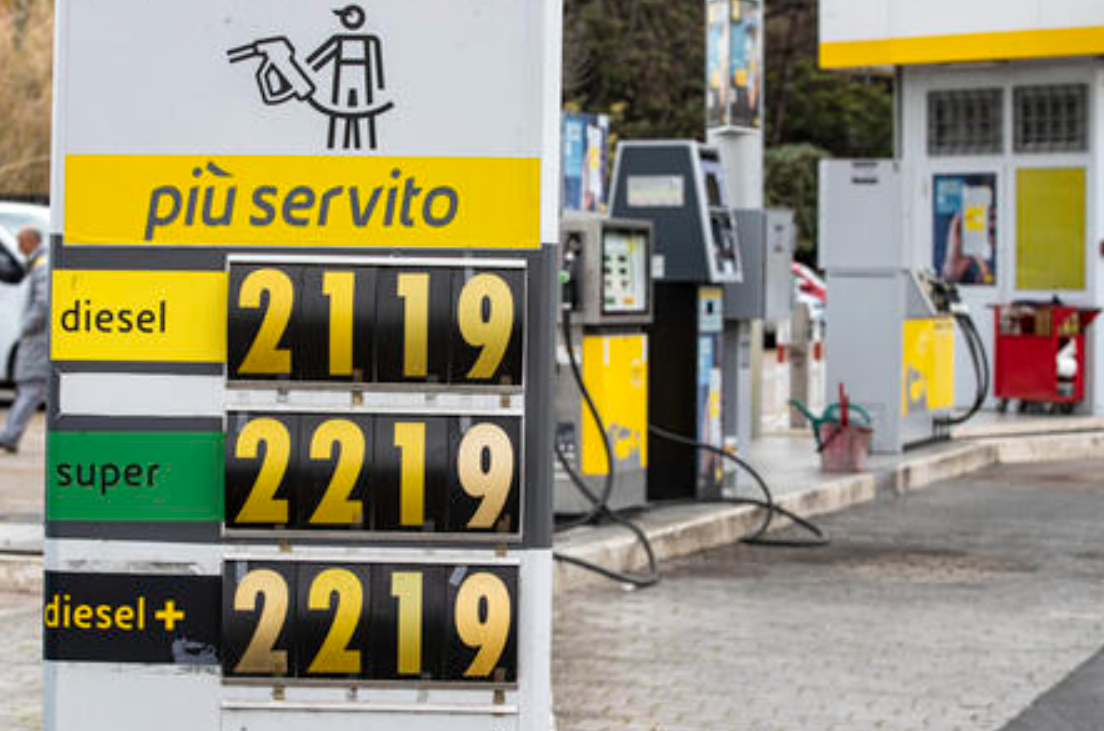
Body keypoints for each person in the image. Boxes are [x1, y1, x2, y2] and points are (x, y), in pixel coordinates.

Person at [0, 227, 47, 453]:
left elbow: (43, 303)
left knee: (29, 389)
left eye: (20, 243)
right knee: (32, 389)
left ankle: (9, 436)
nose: (19, 248)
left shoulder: (41, 265)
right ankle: (9, 435)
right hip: (39, 340)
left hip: (38, 340)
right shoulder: (38, 263)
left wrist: (25, 328)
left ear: (30, 241)